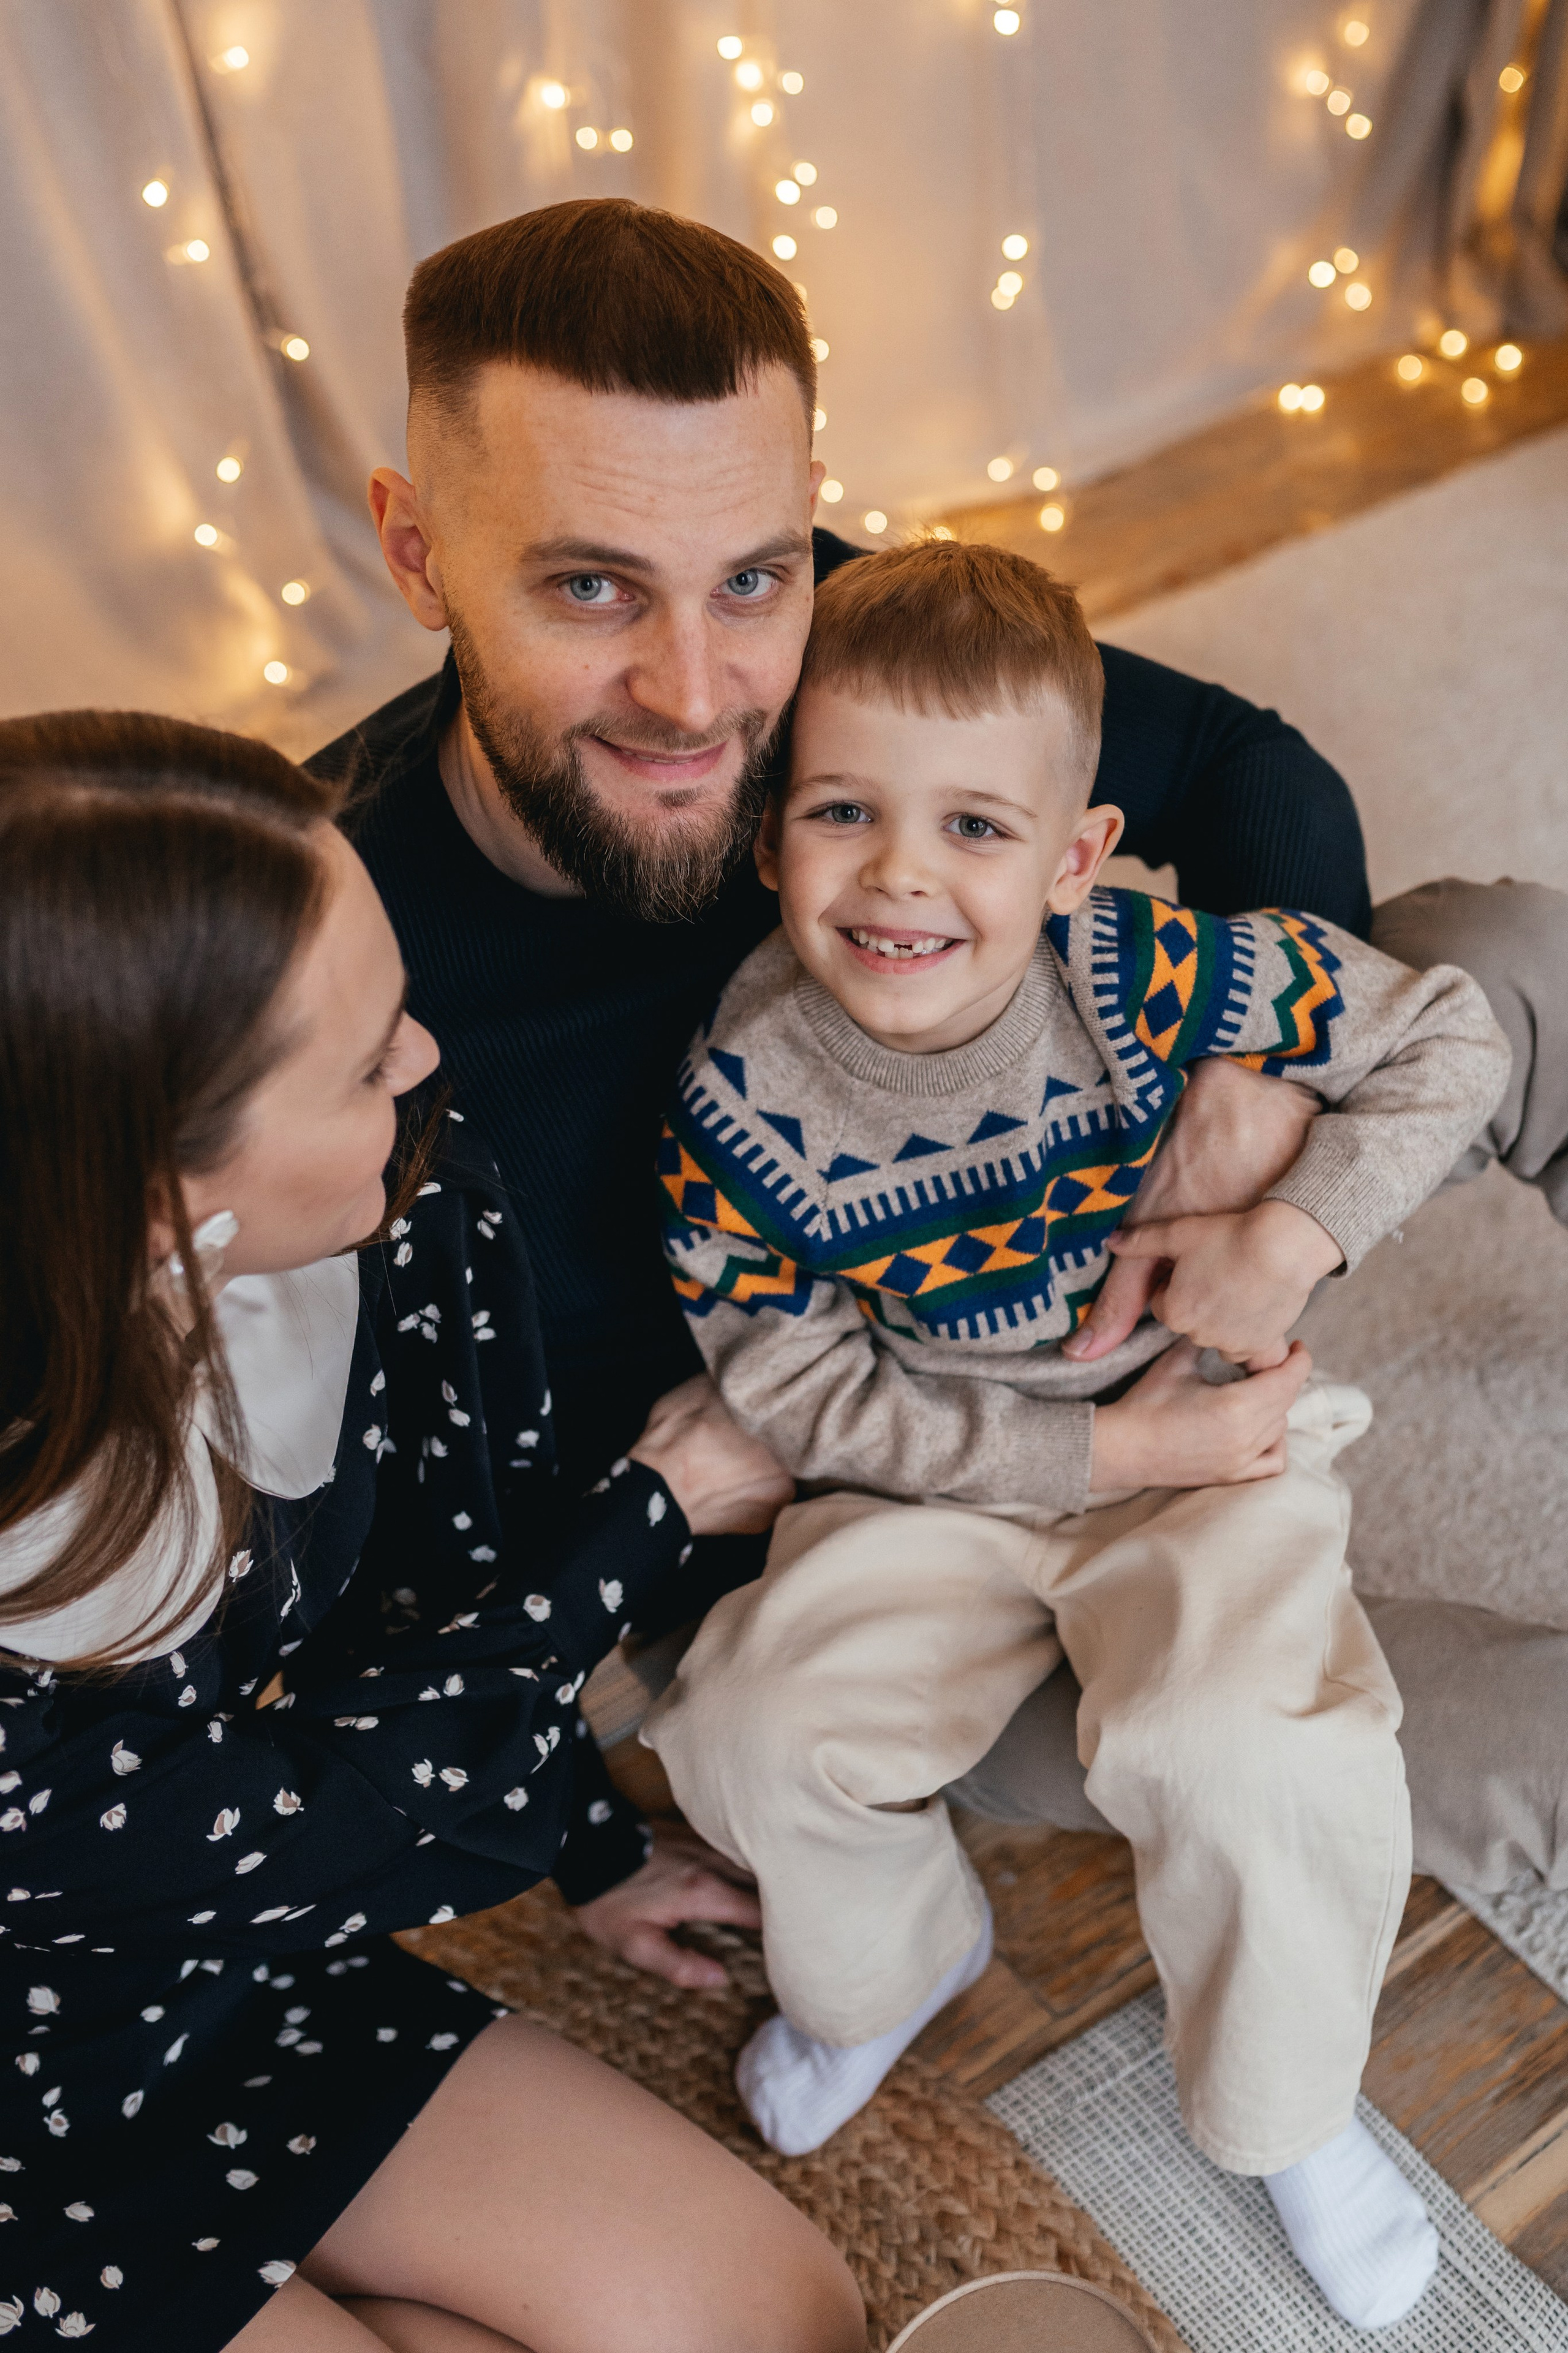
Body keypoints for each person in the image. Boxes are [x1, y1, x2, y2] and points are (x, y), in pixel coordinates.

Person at [318, 197, 1568, 1953]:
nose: (698, 694)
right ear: (416, 544)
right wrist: (588, 1844)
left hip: (1113, 1210)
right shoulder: (336, 972)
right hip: (890, 1518)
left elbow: (1231, 758)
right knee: (1505, 1760)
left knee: (1520, 958)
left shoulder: (821, 619)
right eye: (590, 583)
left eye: (753, 575)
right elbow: (379, 1534)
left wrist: (1243, 1086)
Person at [642, 540, 1507, 2329]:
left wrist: (1291, 1233)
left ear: (1075, 853)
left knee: (1257, 1747)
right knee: (743, 1720)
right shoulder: (743, 1095)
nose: (899, 875)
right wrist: (1093, 1468)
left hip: (1207, 1426)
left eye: (974, 828)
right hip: (936, 1470)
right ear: (766, 834)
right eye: (843, 813)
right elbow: (789, 1382)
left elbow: (1450, 1037)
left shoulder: (1154, 971)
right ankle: (891, 1957)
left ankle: (1289, 2111)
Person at [0, 711, 862, 2353]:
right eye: (362, 1055)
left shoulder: (401, 1191)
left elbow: (450, 1563)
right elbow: (302, 1809)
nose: (423, 1060)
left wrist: (586, 1844)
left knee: (782, 2322)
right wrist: (657, 1508)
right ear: (158, 1196)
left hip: (213, 1967)